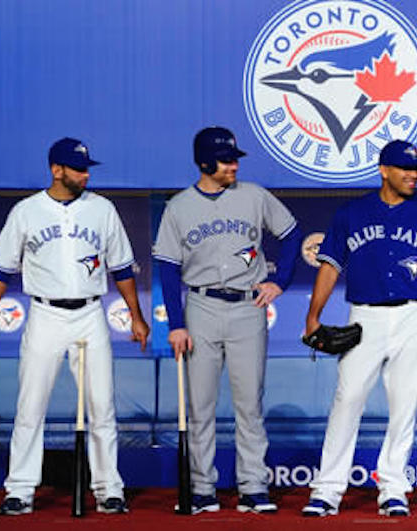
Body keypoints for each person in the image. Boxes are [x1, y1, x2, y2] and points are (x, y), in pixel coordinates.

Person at [0, 137, 150, 515]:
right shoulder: (27, 211)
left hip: (90, 314)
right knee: (30, 406)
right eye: (77, 168)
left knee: (102, 405)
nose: (85, 174)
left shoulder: (102, 210)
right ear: (56, 170)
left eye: (86, 167)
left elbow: (121, 268)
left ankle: (108, 489)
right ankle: (20, 490)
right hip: (45, 315)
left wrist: (135, 315)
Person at [301, 140, 417, 517]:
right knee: (347, 398)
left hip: (413, 315)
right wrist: (313, 315)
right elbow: (330, 265)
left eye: (416, 169)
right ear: (383, 170)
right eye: (405, 169)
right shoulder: (352, 213)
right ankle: (327, 489)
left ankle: (393, 488)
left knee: (404, 404)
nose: (413, 175)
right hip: (365, 314)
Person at [153, 126, 301, 514]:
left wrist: (280, 280)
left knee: (249, 403)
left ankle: (253, 486)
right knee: (200, 405)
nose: (234, 164)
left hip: (246, 307)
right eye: (225, 159)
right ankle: (202, 488)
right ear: (204, 162)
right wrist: (176, 324)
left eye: (235, 158)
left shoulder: (254, 196)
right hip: (200, 307)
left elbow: (291, 234)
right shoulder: (179, 206)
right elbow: (167, 267)